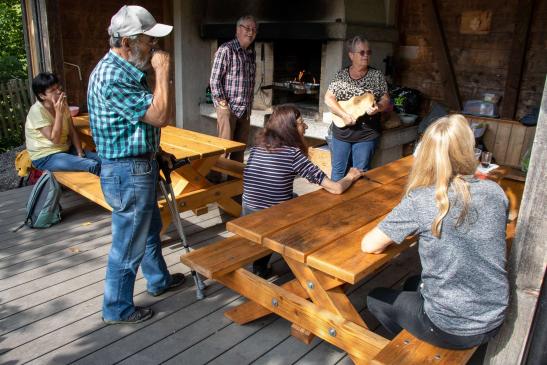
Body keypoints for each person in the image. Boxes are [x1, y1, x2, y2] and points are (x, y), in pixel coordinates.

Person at [362, 114, 509, 349]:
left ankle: (413, 350)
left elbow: (369, 245)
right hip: (493, 316)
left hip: (450, 328)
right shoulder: (495, 192)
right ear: (469, 149)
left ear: (426, 153)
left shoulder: (422, 199)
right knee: (412, 282)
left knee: (375, 297)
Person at [87, 5, 185, 325]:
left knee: (149, 230)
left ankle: (158, 280)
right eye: (148, 40)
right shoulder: (114, 75)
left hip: (136, 164)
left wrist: (156, 151)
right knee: (128, 242)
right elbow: (159, 116)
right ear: (127, 42)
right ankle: (116, 307)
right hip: (126, 172)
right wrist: (163, 72)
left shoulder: (126, 69)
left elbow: (135, 126)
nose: (154, 47)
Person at [244, 105, 363, 277]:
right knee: (315, 211)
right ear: (288, 129)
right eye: (300, 123)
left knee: (294, 198)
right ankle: (305, 264)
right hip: (271, 217)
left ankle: (260, 267)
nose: (305, 127)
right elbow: (336, 188)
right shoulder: (292, 154)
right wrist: (351, 176)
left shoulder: (257, 147)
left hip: (247, 211)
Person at [324, 36, 390, 181]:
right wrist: (344, 115)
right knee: (338, 173)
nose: (366, 55)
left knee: (361, 175)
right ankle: (337, 203)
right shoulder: (341, 75)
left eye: (368, 52)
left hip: (366, 134)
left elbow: (386, 100)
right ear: (351, 55)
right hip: (341, 133)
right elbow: (328, 98)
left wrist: (378, 108)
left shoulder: (376, 75)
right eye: (361, 52)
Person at [25, 72, 101, 175]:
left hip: (66, 149)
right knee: (91, 165)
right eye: (52, 90)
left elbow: (72, 131)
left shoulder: (63, 105)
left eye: (58, 88)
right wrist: (59, 113)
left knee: (105, 161)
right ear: (42, 96)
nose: (58, 92)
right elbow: (55, 139)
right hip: (46, 157)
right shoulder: (37, 111)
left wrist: (80, 152)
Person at [209, 15, 257, 163]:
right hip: (228, 108)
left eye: (254, 30)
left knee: (239, 151)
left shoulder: (250, 53)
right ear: (238, 30)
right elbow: (214, 80)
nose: (250, 33)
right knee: (224, 150)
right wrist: (223, 104)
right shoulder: (226, 50)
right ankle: (215, 182)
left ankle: (234, 183)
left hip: (244, 109)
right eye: (247, 29)